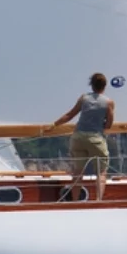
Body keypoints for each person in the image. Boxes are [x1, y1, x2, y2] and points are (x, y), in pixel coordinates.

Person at [49, 73, 114, 201]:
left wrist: (54, 124)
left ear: (91, 85)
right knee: (101, 172)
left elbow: (70, 115)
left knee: (78, 172)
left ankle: (75, 201)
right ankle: (98, 201)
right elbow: (109, 124)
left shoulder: (84, 98)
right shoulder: (108, 102)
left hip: (78, 138)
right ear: (105, 86)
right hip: (96, 139)